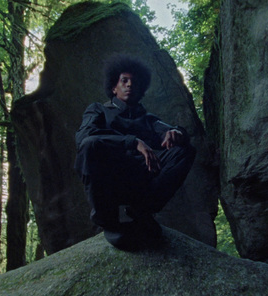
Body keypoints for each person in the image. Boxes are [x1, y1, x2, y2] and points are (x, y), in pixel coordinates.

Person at [74, 54, 195, 250]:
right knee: (90, 146)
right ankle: (108, 219)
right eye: (124, 80)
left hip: (141, 181)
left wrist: (177, 133)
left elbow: (171, 132)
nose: (129, 85)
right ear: (114, 87)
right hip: (108, 180)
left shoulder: (148, 119)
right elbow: (83, 139)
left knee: (184, 151)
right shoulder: (98, 110)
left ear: (141, 90)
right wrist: (132, 142)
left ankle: (142, 211)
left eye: (134, 82)